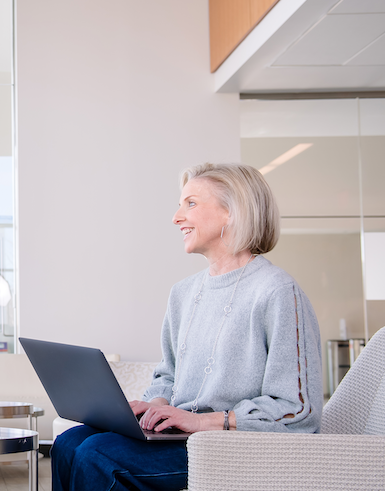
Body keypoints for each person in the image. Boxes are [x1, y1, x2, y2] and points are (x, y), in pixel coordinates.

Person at [51, 162, 322, 491]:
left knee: (98, 455)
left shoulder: (277, 291)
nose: (177, 217)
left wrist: (201, 422)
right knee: (67, 444)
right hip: (181, 436)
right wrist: (154, 406)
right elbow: (168, 377)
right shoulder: (183, 292)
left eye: (190, 204)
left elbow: (298, 409)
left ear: (231, 212)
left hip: (232, 447)